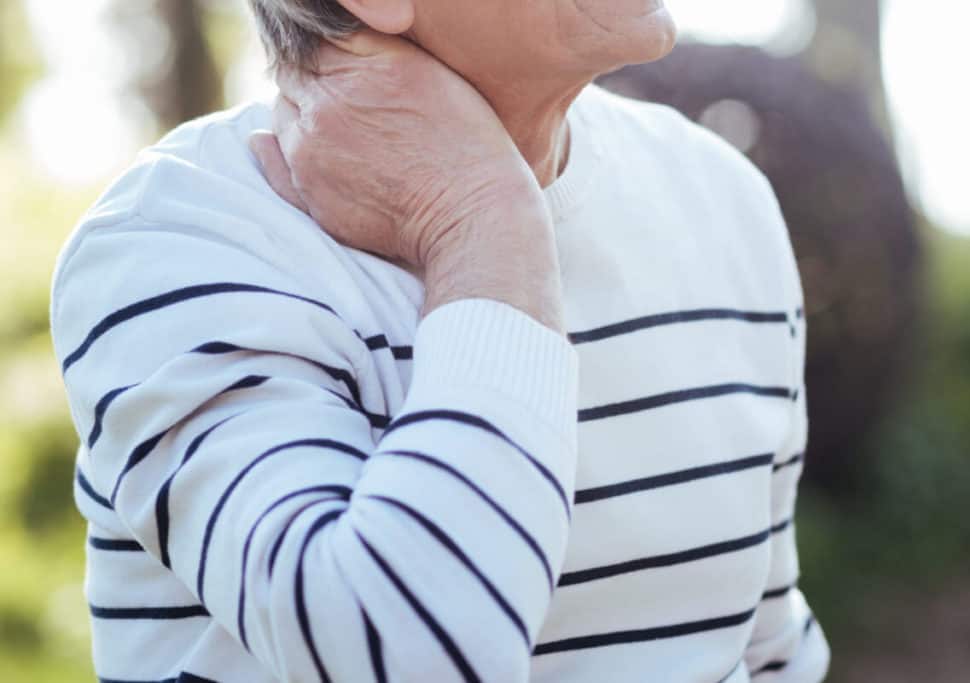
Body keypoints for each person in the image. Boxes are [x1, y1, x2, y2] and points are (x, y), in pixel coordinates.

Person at [50, 1, 830, 681]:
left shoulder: (721, 197)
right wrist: (480, 224)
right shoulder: (179, 238)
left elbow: (765, 650)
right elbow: (405, 652)